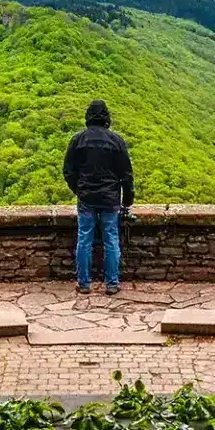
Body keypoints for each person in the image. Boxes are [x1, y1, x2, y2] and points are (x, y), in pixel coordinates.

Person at [62, 98, 134, 295]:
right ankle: (112, 283)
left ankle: (84, 283)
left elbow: (68, 171)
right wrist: (127, 200)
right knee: (111, 238)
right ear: (107, 118)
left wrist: (79, 189)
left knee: (84, 239)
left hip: (86, 199)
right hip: (111, 199)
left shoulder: (78, 140)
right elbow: (126, 174)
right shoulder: (116, 141)